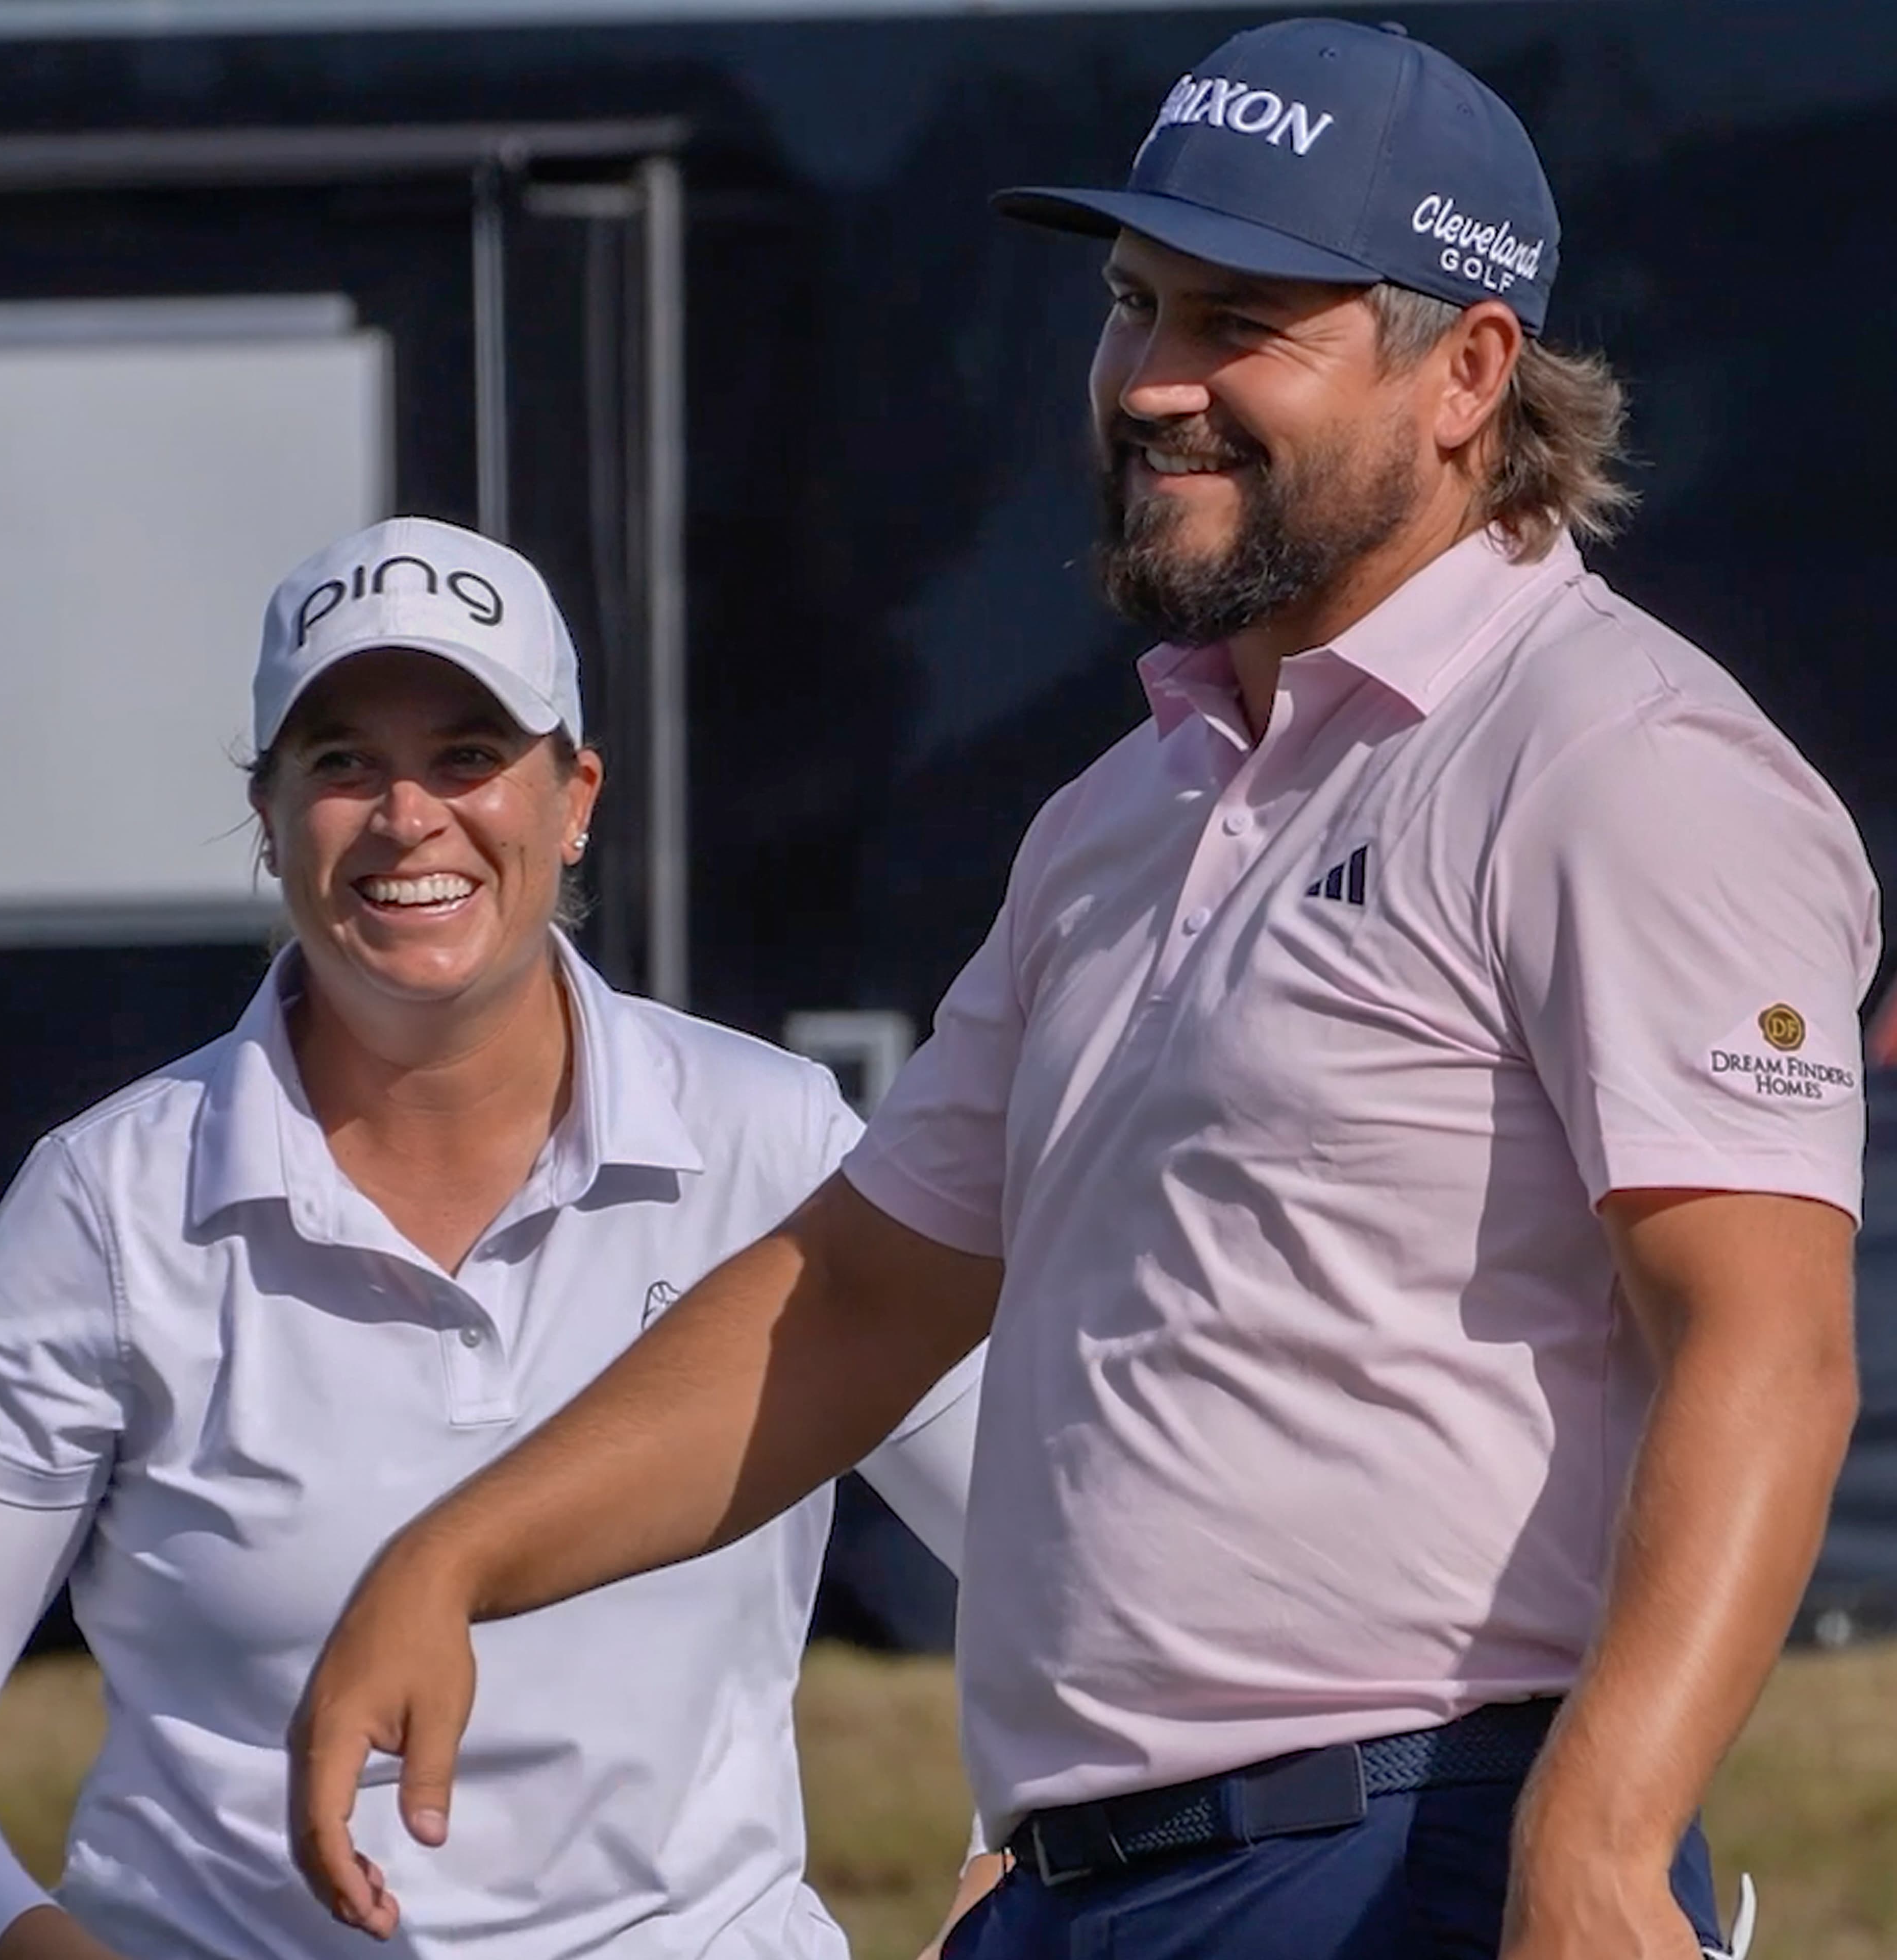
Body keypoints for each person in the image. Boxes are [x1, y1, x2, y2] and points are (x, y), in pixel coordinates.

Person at [291, 20, 1874, 1960]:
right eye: (1134, 305)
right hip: (1082, 1891)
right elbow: (865, 1293)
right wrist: (455, 1558)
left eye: (1243, 319)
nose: (1157, 384)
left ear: (1467, 370)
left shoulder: (1621, 760)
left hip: (1425, 1857)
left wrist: (1609, 1838)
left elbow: (1767, 1347)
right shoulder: (1125, 811)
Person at [0, 514, 991, 1960]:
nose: (406, 814)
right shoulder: (110, 1201)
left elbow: (1056, 1549)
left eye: (468, 756)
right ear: (268, 817)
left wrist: (1020, 1868)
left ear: (576, 800)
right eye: (343, 761)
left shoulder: (774, 1137)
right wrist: (25, 1947)